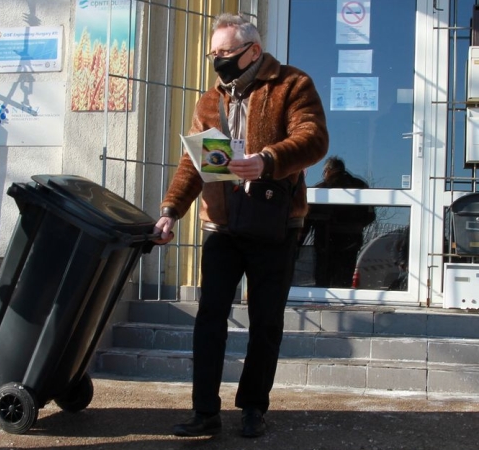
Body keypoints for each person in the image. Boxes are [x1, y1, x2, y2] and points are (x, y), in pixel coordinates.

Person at [153, 13, 328, 438]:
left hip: (275, 224)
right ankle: (204, 412)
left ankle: (253, 408)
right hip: (221, 228)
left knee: (265, 322)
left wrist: (267, 160)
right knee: (209, 319)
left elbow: (314, 139)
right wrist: (171, 210)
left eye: (225, 53)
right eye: (213, 54)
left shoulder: (292, 84)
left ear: (253, 50)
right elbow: (192, 163)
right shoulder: (209, 101)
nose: (218, 61)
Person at [306, 156, 375, 288]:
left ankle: (322, 302)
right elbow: (370, 215)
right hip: (351, 241)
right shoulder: (361, 186)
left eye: (324, 172)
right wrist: (356, 226)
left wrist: (300, 238)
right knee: (344, 280)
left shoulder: (320, 189)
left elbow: (308, 216)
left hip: (325, 241)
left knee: (323, 280)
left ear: (328, 171)